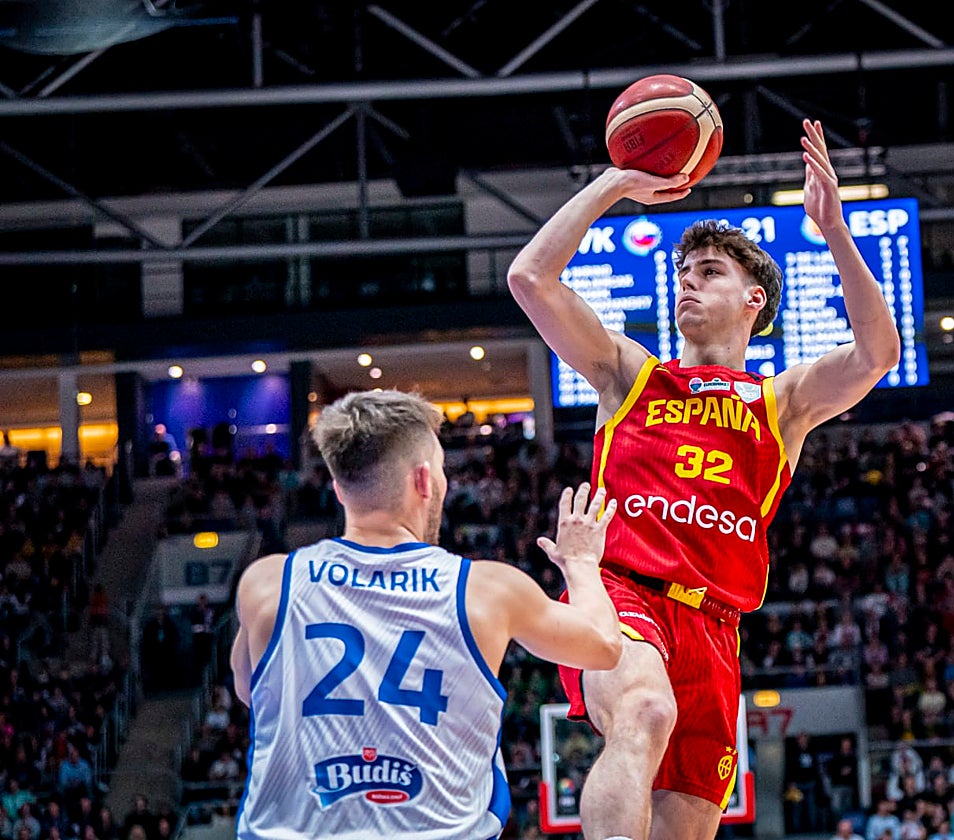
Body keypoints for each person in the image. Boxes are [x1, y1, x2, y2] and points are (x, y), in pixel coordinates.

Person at [508, 119, 900, 839]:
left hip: (716, 627)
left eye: (710, 273)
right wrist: (618, 182)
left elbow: (878, 353)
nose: (688, 282)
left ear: (756, 300)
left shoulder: (780, 403)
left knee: (688, 824)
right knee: (645, 711)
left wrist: (835, 232)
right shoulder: (631, 374)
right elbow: (530, 278)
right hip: (624, 593)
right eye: (683, 275)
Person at [230, 389, 623, 839]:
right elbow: (604, 645)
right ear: (423, 480)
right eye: (439, 470)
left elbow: (250, 691)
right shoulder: (486, 590)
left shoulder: (268, 583)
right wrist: (581, 564)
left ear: (339, 488)